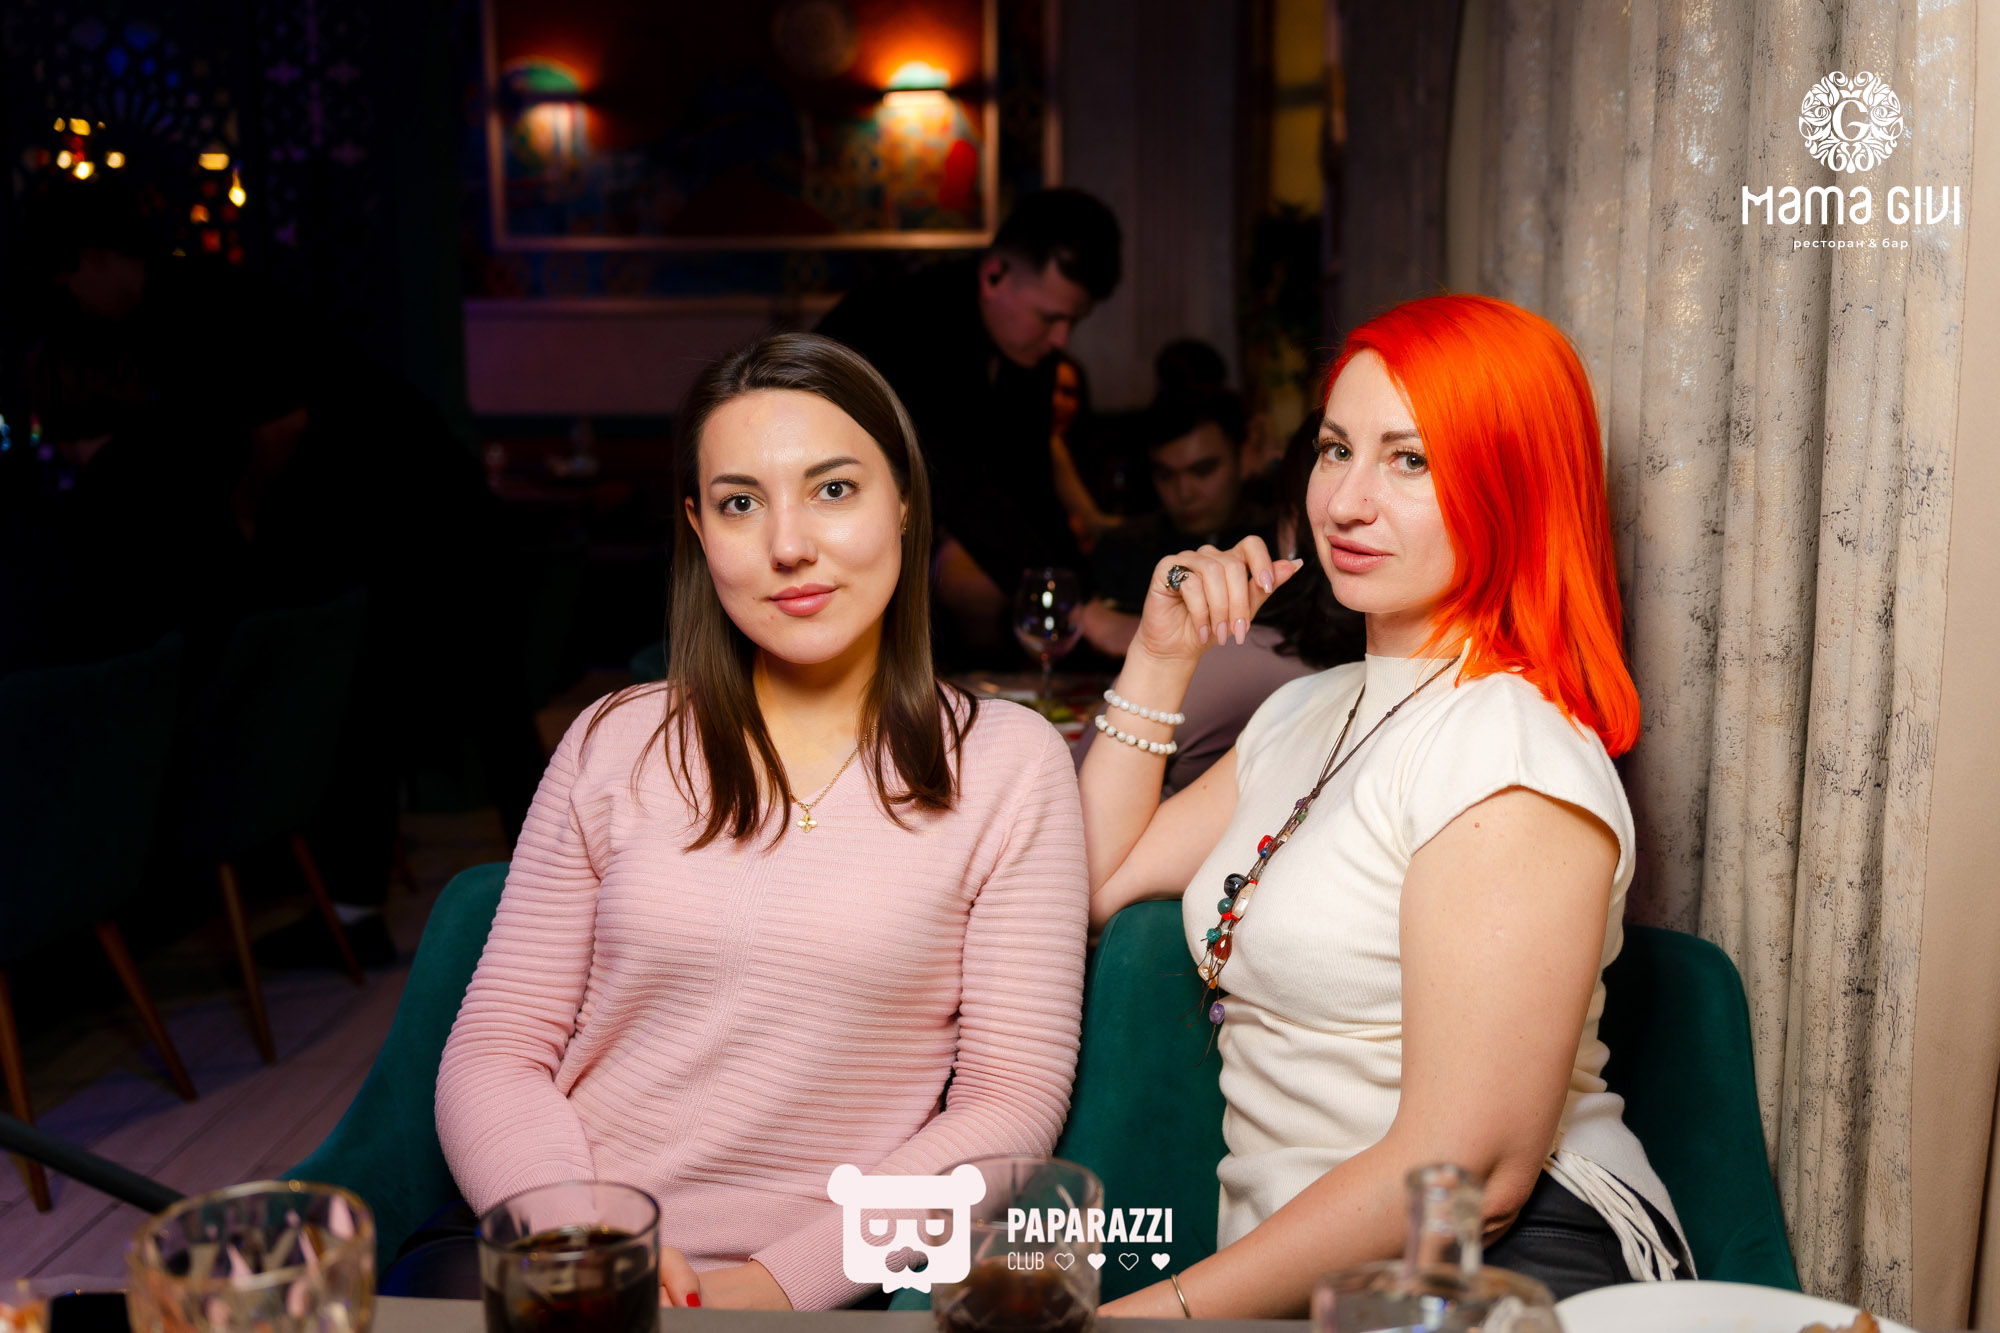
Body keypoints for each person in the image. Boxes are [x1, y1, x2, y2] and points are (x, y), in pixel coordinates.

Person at [431, 333, 1089, 1310]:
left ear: (905, 501)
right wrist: (580, 1233)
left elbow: (1008, 1106)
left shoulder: (1006, 764)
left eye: (834, 489)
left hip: (813, 1286)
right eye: (741, 503)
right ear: (698, 528)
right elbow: (496, 1047)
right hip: (565, 1250)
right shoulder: (615, 739)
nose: (788, 545)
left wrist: (776, 1287)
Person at [1080, 295, 1687, 1312]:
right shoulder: (1305, 710)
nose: (1346, 502)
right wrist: (1158, 654)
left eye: (1410, 460)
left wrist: (1152, 1315)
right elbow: (1094, 885)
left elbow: (1472, 1174)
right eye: (1335, 450)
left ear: (1510, 484)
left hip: (1508, 1257)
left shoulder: (1507, 745)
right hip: (1312, 1274)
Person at [817, 188, 1122, 662]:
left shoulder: (1027, 348)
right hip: (823, 531)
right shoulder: (907, 320)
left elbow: (1032, 484)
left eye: (1073, 323)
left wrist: (1089, 599)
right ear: (994, 274)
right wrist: (1084, 611)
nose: (1061, 339)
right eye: (1050, 318)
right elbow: (958, 487)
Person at [1082, 390, 1271, 659]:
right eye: (1166, 475)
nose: (1184, 493)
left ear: (1245, 457)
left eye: (1203, 470)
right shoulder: (1121, 549)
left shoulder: (1280, 543)